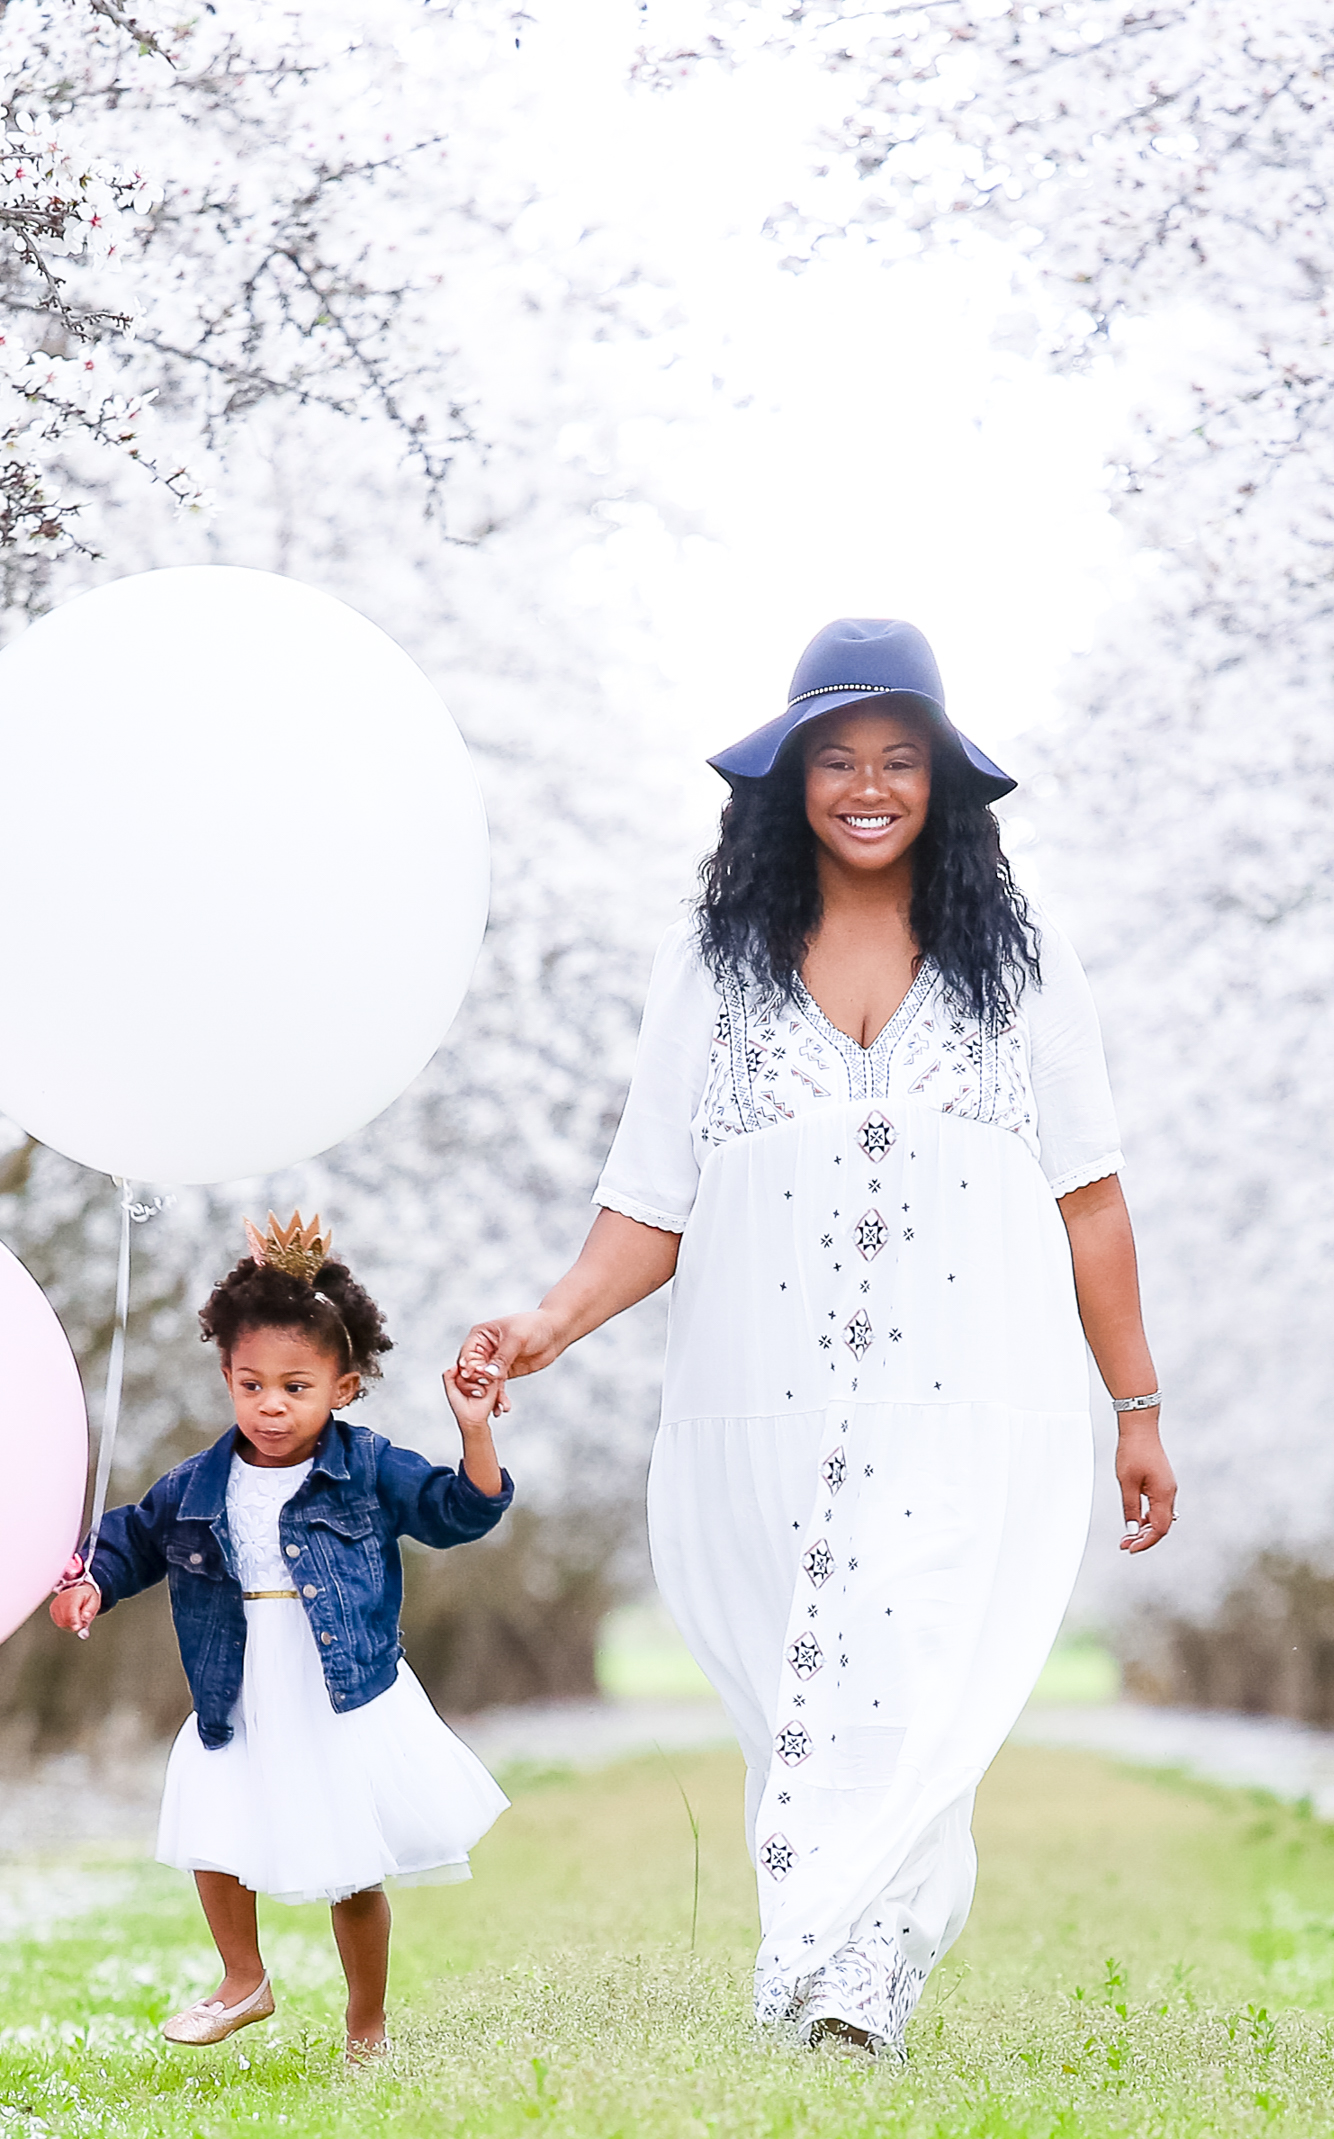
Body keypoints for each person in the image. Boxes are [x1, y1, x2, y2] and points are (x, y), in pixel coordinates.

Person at [457, 617, 1175, 2055]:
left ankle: (860, 1976)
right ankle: (832, 1944)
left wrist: (1136, 1409)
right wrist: (546, 1323)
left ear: (940, 781)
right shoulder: (712, 966)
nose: (867, 786)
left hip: (964, 1390)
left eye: (897, 760)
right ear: (786, 781)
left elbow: (1087, 1200)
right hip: (763, 1393)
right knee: (800, 1665)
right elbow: (649, 1203)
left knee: (909, 1647)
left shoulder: (1019, 962)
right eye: (835, 759)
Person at [54, 1214, 515, 2058]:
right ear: (227, 1376)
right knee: (211, 1820)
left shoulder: (367, 1465)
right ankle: (243, 1979)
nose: (271, 1404)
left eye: (296, 1386)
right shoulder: (197, 1481)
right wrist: (90, 1578)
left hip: (337, 1683)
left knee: (351, 1858)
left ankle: (365, 2020)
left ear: (342, 1387)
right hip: (234, 1675)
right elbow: (134, 1536)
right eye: (251, 1384)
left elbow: (459, 1512)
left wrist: (474, 1430)